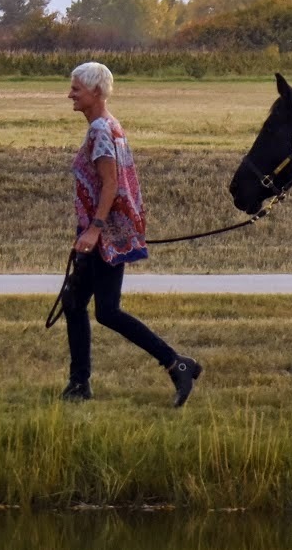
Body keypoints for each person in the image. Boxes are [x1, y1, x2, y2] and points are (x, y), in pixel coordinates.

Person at [60, 61, 202, 406]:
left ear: (96, 92)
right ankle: (79, 384)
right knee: (74, 301)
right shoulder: (110, 125)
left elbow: (110, 184)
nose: (70, 95)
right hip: (108, 229)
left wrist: (94, 230)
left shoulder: (100, 130)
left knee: (107, 310)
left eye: (76, 89)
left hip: (105, 233)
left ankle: (176, 363)